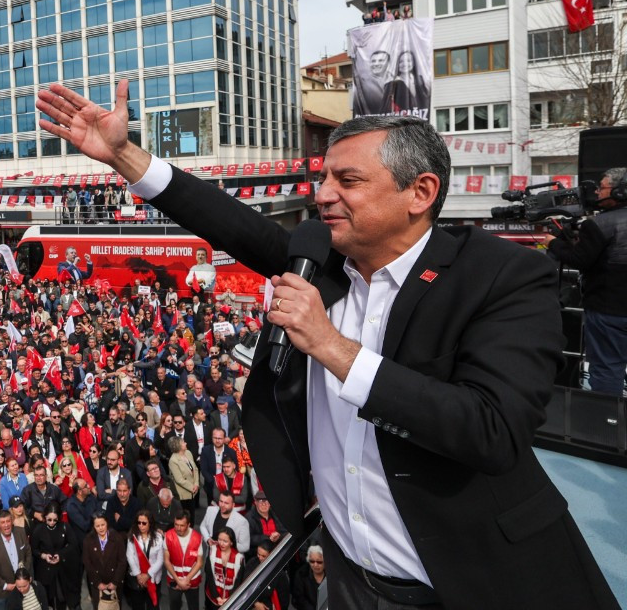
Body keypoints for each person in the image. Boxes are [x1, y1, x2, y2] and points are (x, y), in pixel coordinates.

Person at [37, 81, 615, 607]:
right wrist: (122, 154)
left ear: (420, 192)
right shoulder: (323, 256)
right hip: (348, 576)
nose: (323, 195)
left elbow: (492, 429)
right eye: (323, 177)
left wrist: (332, 347)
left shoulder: (502, 277)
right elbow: (231, 223)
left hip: (471, 579)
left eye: (349, 180)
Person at [546, 167, 627, 395]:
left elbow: (579, 259)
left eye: (602, 188)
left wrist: (553, 242)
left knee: (608, 368)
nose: (598, 193)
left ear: (620, 192)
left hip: (609, 311)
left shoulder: (600, 224)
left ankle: (608, 424)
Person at [0, 510, 30, 610]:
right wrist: (4, 585)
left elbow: (28, 554)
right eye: (3, 522)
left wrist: (26, 576)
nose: (6, 525)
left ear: (12, 521)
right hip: (2, 592)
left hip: (21, 588)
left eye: (8, 521)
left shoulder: (20, 532)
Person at [80, 515, 125, 607]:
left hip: (114, 581)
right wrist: (97, 583)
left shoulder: (117, 538)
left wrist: (115, 582)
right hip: (98, 583)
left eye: (102, 525)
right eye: (97, 526)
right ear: (93, 527)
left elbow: (122, 562)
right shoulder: (88, 540)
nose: (101, 528)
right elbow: (87, 563)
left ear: (107, 523)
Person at [125, 511, 164, 610]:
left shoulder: (159, 537)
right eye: (139, 522)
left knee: (153, 605)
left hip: (153, 577)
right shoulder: (132, 536)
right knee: (137, 606)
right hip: (137, 578)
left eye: (144, 523)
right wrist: (139, 575)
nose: (141, 526)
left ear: (150, 523)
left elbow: (160, 560)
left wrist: (147, 575)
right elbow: (130, 556)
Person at [201, 528, 242, 610]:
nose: (221, 543)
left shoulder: (238, 558)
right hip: (212, 597)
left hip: (229, 598)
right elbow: (209, 576)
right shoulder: (212, 551)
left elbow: (238, 581)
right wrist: (217, 597)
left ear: (231, 542)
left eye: (225, 541)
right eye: (219, 539)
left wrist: (229, 599)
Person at [382, 50, 430, 116]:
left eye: (408, 61)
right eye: (401, 62)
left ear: (413, 63)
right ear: (397, 65)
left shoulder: (420, 80)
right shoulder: (392, 83)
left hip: (420, 117)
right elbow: (389, 105)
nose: (405, 64)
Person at [291, 545, 326, 610]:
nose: (315, 565)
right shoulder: (301, 575)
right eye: (312, 561)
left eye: (319, 562)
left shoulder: (331, 574)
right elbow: (298, 598)